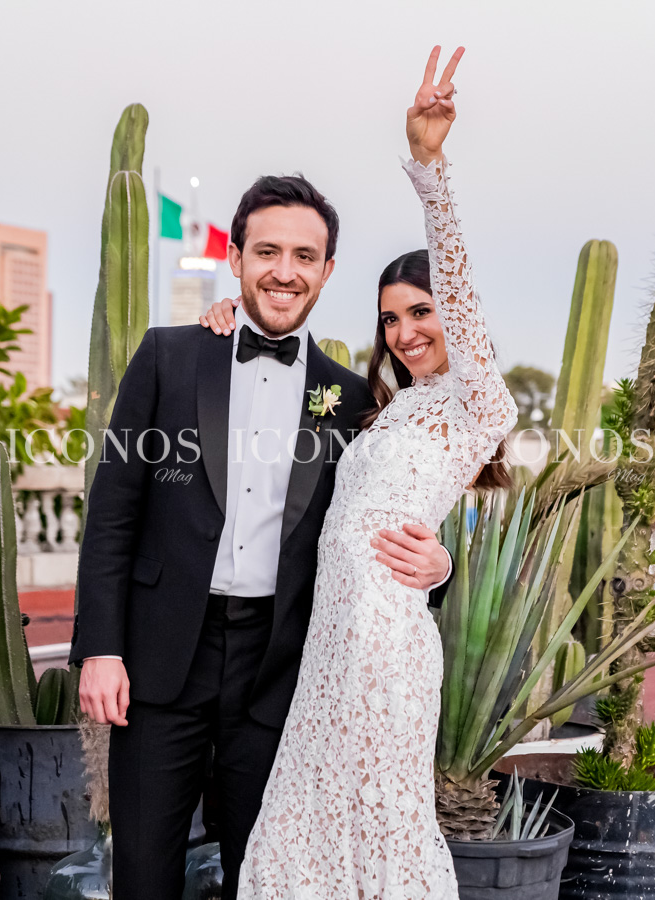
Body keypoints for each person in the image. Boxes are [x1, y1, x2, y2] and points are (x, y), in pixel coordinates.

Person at [69, 83, 454, 900]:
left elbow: (395, 508)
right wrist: (99, 648)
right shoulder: (169, 357)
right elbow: (112, 515)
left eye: (304, 257)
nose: (284, 271)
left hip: (284, 673)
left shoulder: (353, 399)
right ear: (237, 257)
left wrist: (439, 568)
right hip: (158, 662)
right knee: (143, 877)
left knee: (270, 879)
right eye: (267, 252)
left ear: (327, 271)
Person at [202, 43, 518, 898]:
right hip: (327, 644)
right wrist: (228, 316)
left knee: (380, 826)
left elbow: (459, 290)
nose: (405, 332)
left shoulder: (478, 404)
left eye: (421, 312)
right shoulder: (385, 409)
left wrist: (429, 170)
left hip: (383, 649)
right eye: (389, 319)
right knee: (302, 825)